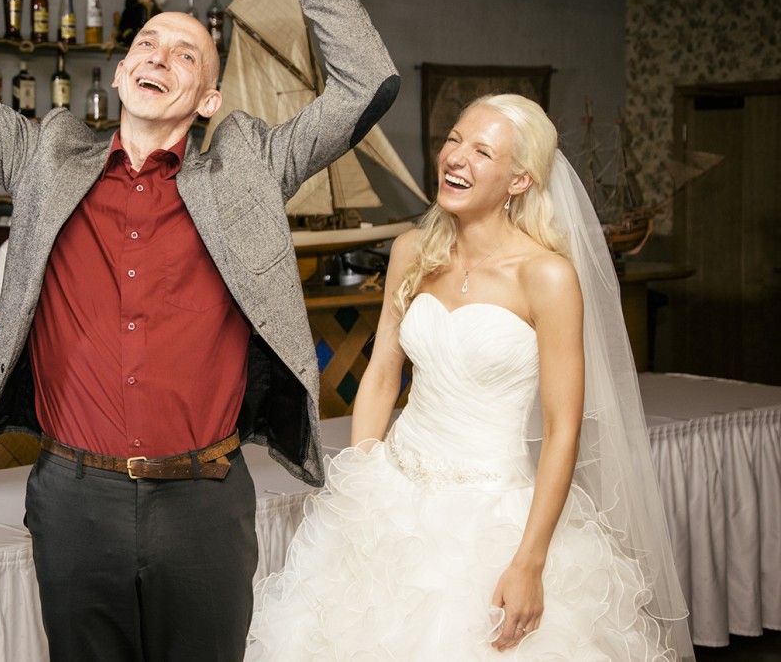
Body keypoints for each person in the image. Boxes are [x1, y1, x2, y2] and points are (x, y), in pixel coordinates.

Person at [0, 0, 399, 661]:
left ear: (209, 99)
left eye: (186, 53)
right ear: (121, 73)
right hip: (73, 501)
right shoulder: (44, 156)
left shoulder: (250, 167)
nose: (159, 56)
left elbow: (365, 85)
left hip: (204, 502)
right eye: (147, 45)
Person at [246, 94, 695, 660]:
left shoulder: (547, 277)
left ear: (519, 180)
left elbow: (562, 428)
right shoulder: (412, 251)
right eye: (455, 140)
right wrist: (361, 485)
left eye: (482, 151)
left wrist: (529, 562)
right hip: (391, 495)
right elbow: (382, 375)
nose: (456, 157)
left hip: (491, 516)